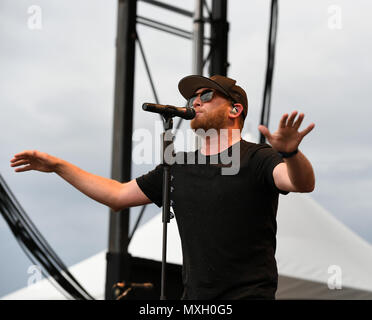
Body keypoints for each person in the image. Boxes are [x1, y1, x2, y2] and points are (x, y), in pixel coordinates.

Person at [10, 74, 315, 300]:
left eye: (206, 95)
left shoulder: (258, 157)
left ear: (235, 110)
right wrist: (59, 167)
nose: (195, 102)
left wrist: (290, 153)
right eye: (192, 98)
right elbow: (116, 195)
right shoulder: (177, 166)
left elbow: (300, 182)